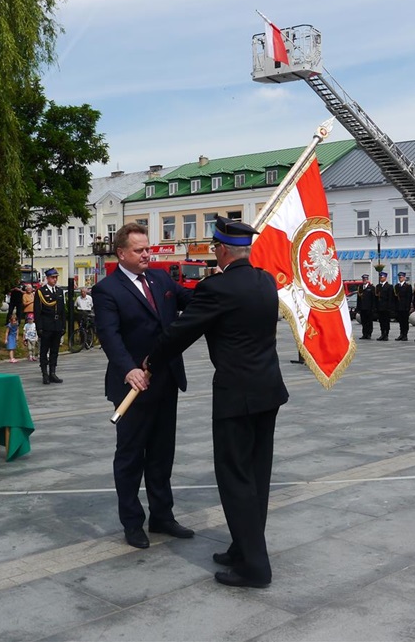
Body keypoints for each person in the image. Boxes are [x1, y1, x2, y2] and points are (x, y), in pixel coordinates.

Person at [146, 217, 289, 589]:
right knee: (256, 476)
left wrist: (150, 360)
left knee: (236, 479)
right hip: (268, 390)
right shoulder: (265, 281)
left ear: (221, 249)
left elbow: (181, 332)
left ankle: (255, 567)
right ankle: (243, 547)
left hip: (236, 395)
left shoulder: (217, 288)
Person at [92, 223, 194, 550]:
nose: (146, 254)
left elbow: (189, 299)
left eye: (147, 248)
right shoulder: (107, 289)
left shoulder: (161, 279)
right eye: (139, 250)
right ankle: (133, 522)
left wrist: (221, 282)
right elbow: (110, 335)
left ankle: (162, 516)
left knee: (162, 454)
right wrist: (129, 369)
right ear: (121, 253)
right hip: (132, 387)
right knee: (131, 456)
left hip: (166, 380)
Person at [34, 268, 66, 384]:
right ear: (47, 278)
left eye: (56, 277)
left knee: (54, 350)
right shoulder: (41, 292)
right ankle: (45, 374)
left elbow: (62, 310)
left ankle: (53, 372)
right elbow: (37, 312)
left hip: (57, 325)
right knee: (44, 351)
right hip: (46, 325)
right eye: (53, 277)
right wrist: (39, 328)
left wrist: (63, 326)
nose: (55, 279)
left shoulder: (59, 291)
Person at [373, 271, 394, 341]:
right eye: (380, 277)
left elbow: (390, 298)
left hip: (386, 307)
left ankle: (386, 334)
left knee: (386, 321)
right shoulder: (378, 286)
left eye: (382, 277)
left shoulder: (389, 286)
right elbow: (376, 297)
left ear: (385, 277)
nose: (380, 278)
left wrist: (389, 307)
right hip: (380, 307)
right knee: (381, 321)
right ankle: (382, 333)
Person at [393, 271, 413, 341]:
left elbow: (409, 297)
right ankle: (401, 334)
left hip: (405, 307)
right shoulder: (396, 286)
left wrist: (408, 307)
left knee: (405, 321)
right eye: (399, 277)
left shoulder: (408, 286)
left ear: (404, 278)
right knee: (400, 321)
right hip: (399, 306)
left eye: (401, 277)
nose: (400, 278)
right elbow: (395, 298)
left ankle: (405, 334)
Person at [356, 274, 375, 340]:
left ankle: (369, 334)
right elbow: (358, 299)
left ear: (368, 280)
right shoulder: (360, 287)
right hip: (362, 308)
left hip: (369, 308)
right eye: (363, 279)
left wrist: (373, 308)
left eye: (366, 279)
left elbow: (373, 299)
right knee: (363, 322)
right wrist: (358, 308)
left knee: (369, 322)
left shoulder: (371, 287)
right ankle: (364, 334)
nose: (364, 280)